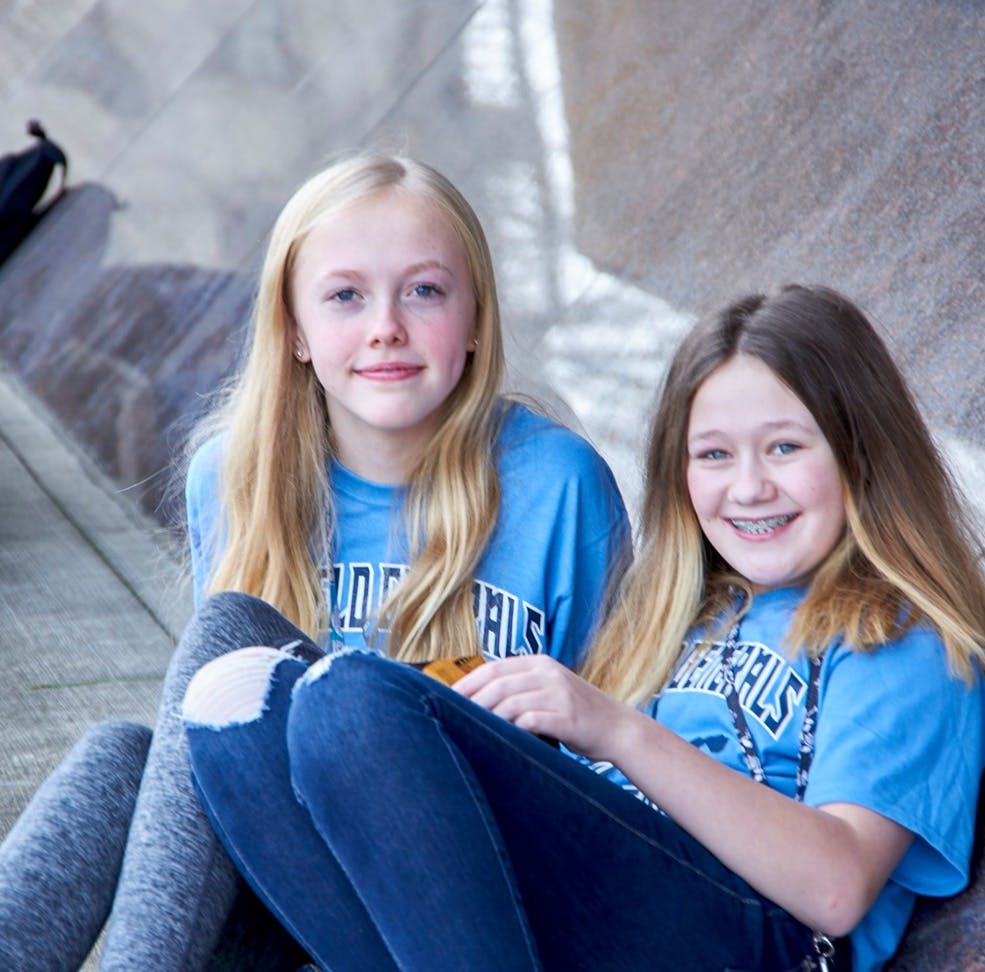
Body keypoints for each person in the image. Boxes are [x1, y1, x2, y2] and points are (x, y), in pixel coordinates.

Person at [183, 284, 985, 972]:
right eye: (715, 455)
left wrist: (613, 727)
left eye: (787, 447)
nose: (750, 487)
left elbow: (837, 885)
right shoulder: (683, 613)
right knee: (239, 702)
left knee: (350, 700)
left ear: (862, 454)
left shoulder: (902, 636)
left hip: (757, 940)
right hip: (598, 917)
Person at [0, 153, 630, 972]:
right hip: (299, 884)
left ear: (477, 318)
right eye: (344, 296)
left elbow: (613, 766)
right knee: (123, 757)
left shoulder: (558, 485)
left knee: (230, 634)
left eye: (425, 291)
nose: (386, 327)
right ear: (293, 328)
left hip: (477, 895)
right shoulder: (235, 478)